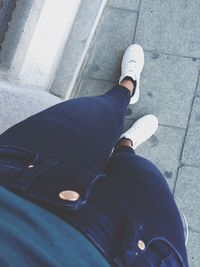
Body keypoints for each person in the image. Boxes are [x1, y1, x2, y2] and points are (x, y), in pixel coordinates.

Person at [0, 44, 188, 267]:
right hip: (141, 253)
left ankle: (127, 86)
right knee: (141, 171)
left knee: (99, 110)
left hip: (16, 178)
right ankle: (125, 146)